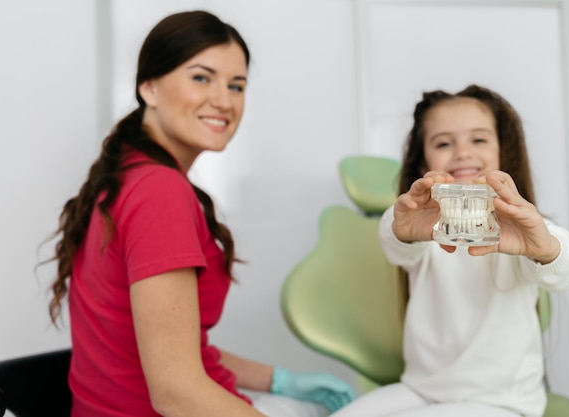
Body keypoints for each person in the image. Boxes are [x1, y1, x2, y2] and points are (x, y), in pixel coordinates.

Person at [46, 10, 355, 417]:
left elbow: (171, 346)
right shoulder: (159, 192)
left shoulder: (128, 175)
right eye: (201, 77)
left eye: (237, 85)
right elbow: (176, 391)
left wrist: (278, 380)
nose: (224, 101)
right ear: (150, 87)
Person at [329, 84, 569, 417]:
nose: (462, 152)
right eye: (444, 143)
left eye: (478, 139)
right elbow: (395, 242)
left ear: (503, 153)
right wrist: (405, 229)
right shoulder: (420, 228)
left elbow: (565, 267)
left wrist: (544, 246)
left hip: (502, 402)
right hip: (423, 390)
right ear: (423, 165)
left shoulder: (525, 225)